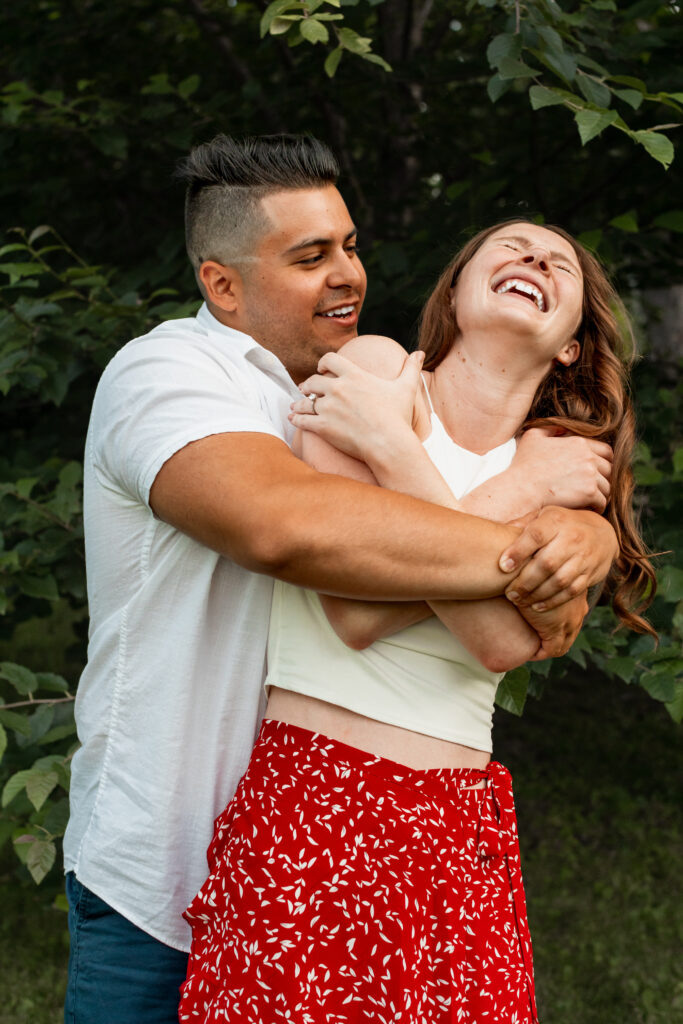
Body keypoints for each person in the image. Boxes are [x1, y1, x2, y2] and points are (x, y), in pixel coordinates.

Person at [63, 135, 618, 1024]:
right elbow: (295, 535)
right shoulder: (170, 375)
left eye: (351, 246)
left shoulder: (370, 392)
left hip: (411, 824)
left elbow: (515, 635)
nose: (347, 275)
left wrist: (582, 534)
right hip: (163, 870)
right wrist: (528, 514)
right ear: (223, 285)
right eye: (309, 256)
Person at [178, 219, 655, 1023]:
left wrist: (394, 455)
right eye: (510, 246)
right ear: (457, 291)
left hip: (454, 822)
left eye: (559, 264)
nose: (534, 258)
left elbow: (503, 644)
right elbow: (353, 608)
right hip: (318, 796)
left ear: (572, 343)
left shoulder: (565, 463)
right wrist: (500, 496)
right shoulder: (376, 373)